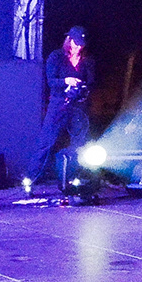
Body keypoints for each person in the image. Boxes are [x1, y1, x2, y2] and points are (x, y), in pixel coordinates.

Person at [28, 26, 94, 188]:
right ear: (69, 40)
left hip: (78, 106)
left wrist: (82, 87)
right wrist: (66, 81)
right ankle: (32, 177)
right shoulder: (56, 57)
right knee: (47, 141)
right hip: (59, 104)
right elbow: (51, 81)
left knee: (79, 142)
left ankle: (73, 177)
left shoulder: (87, 60)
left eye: (81, 44)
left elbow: (91, 81)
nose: (78, 47)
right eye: (76, 43)